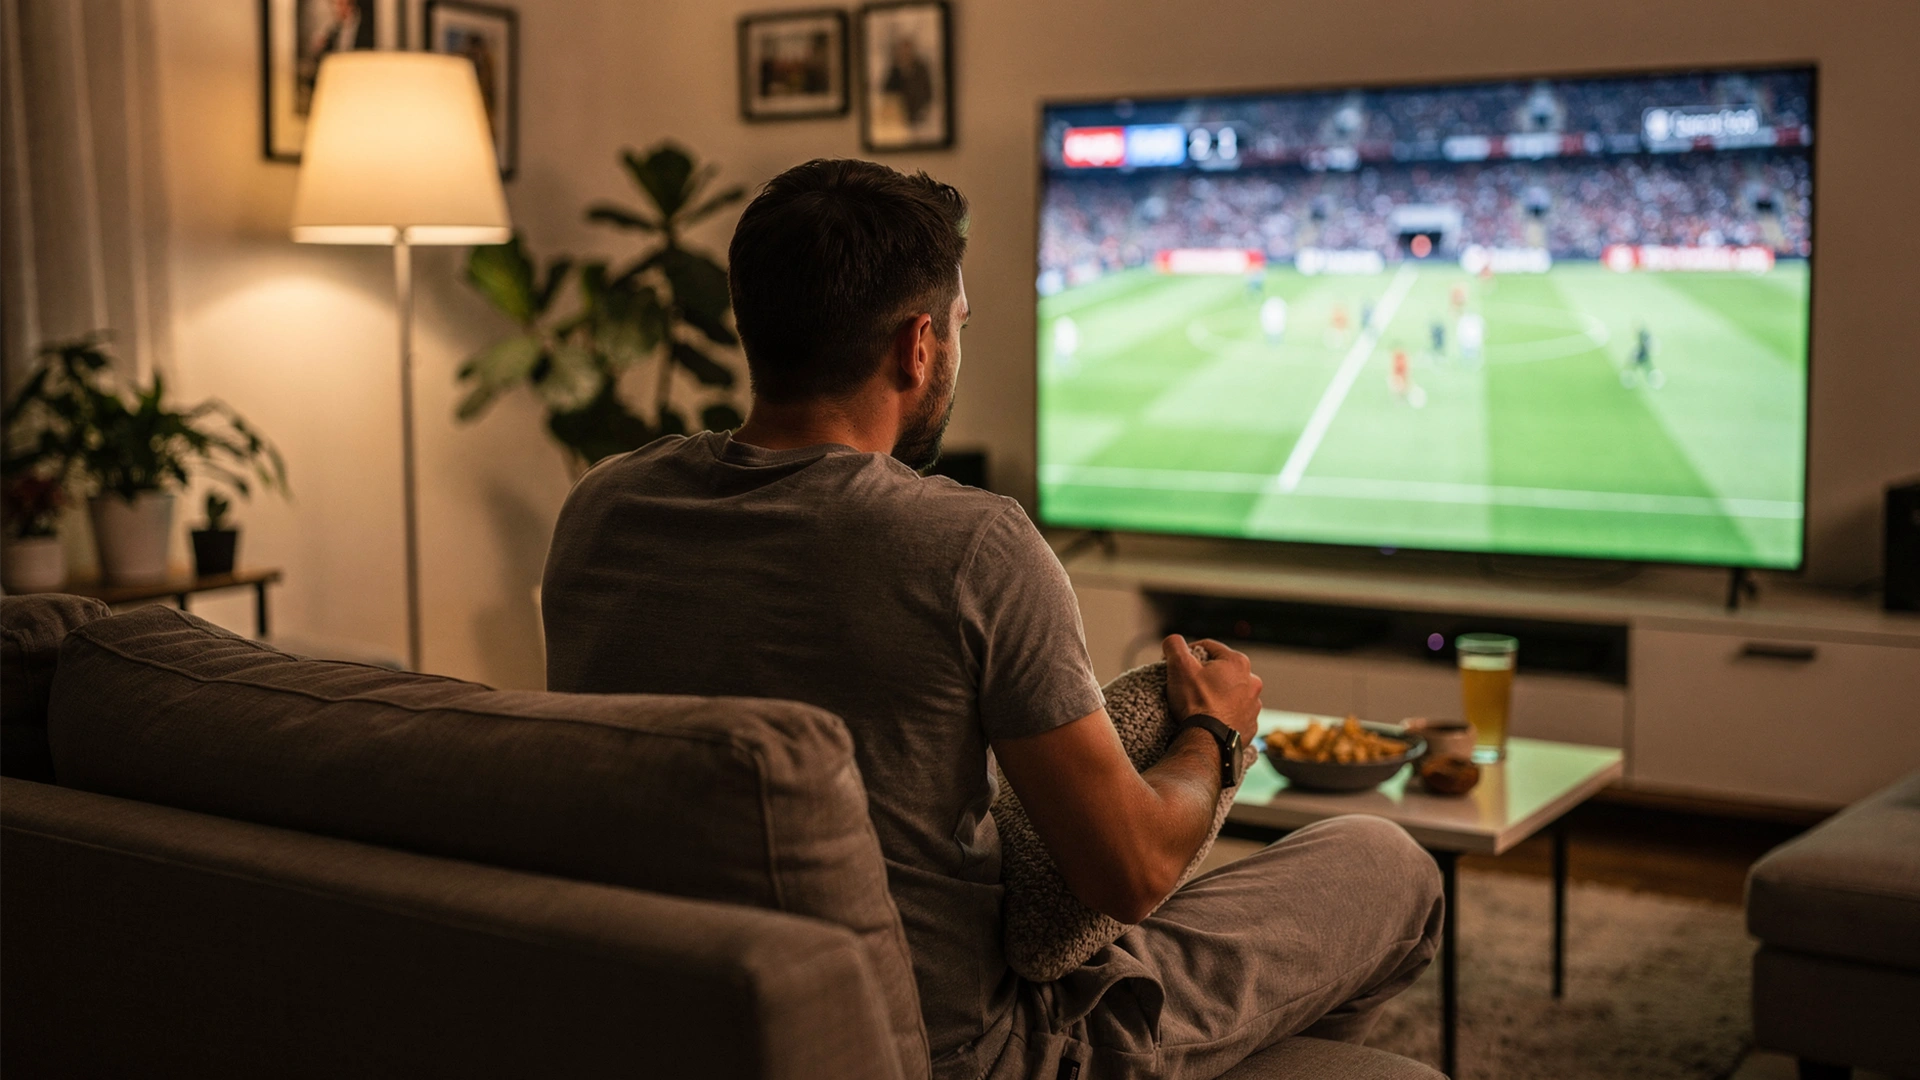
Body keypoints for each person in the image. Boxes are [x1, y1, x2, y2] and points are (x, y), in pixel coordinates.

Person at [542, 159, 1441, 1080]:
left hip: (683, 1024)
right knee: (1387, 862)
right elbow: (1131, 871)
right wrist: (1215, 732)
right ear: (918, 345)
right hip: (967, 1051)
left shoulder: (602, 508)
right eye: (961, 326)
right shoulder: (971, 547)